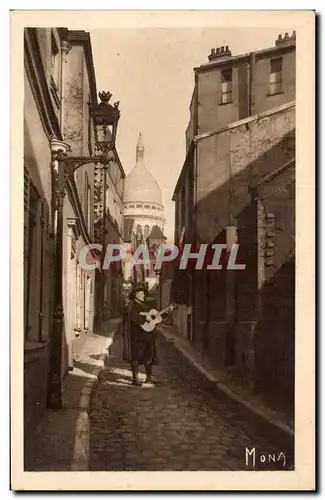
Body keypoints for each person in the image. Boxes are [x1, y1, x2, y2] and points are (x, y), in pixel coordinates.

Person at [122, 283, 157, 386]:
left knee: (149, 356)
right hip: (136, 335)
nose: (143, 295)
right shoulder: (131, 305)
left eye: (143, 293)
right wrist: (144, 318)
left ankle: (148, 377)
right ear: (136, 294)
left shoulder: (146, 306)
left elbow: (153, 317)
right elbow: (133, 318)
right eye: (140, 293)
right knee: (136, 357)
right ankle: (135, 379)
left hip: (148, 334)